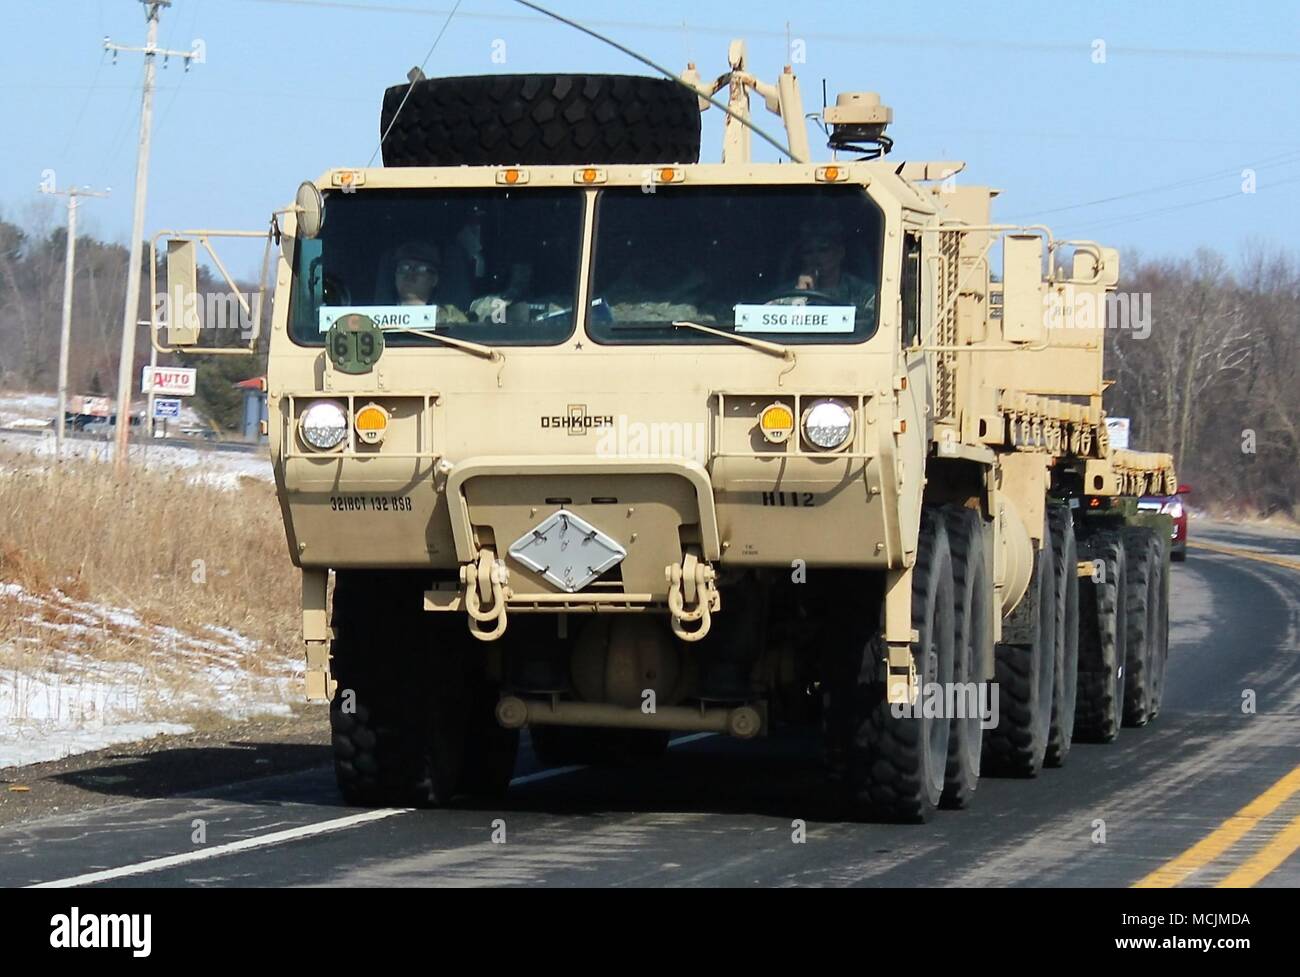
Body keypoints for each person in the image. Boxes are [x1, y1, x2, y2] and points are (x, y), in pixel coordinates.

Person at [784, 219, 877, 314]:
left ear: (840, 252)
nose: (815, 257)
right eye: (808, 252)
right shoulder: (788, 293)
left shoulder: (863, 293)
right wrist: (799, 294)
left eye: (823, 249)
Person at [391, 240, 467, 323]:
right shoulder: (377, 318)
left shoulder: (450, 318)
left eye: (421, 269)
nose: (410, 274)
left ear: (435, 279)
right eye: (404, 268)